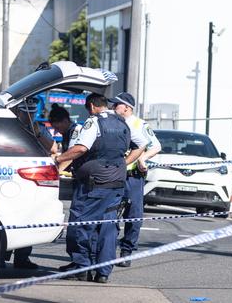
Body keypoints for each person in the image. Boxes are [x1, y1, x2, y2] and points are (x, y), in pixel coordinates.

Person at [53, 93, 130, 283]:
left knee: (80, 224)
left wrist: (58, 159)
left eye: (88, 108)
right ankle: (103, 272)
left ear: (92, 106)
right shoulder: (122, 122)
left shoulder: (94, 122)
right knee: (108, 228)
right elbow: (141, 145)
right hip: (117, 182)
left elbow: (81, 148)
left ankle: (81, 266)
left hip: (94, 185)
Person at [0, 97, 57, 270]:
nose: (29, 117)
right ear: (18, 112)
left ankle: (22, 257)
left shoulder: (38, 128)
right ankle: (0, 258)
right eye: (26, 113)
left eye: (32, 113)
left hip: (31, 178)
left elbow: (53, 149)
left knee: (28, 216)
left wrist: (36, 132)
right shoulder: (10, 128)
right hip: (9, 177)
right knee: (6, 217)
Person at [108, 92, 161, 267]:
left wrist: (142, 158)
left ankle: (126, 251)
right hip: (114, 174)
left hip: (132, 178)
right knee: (110, 213)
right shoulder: (112, 122)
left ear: (127, 108)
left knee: (133, 215)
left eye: (117, 105)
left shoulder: (139, 124)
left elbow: (156, 146)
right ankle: (107, 249)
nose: (113, 108)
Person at [48, 104, 82, 270]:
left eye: (57, 126)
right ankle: (78, 261)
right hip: (80, 179)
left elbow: (72, 155)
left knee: (78, 222)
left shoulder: (76, 131)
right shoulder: (69, 132)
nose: (57, 131)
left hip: (86, 181)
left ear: (64, 121)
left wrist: (56, 171)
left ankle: (79, 262)